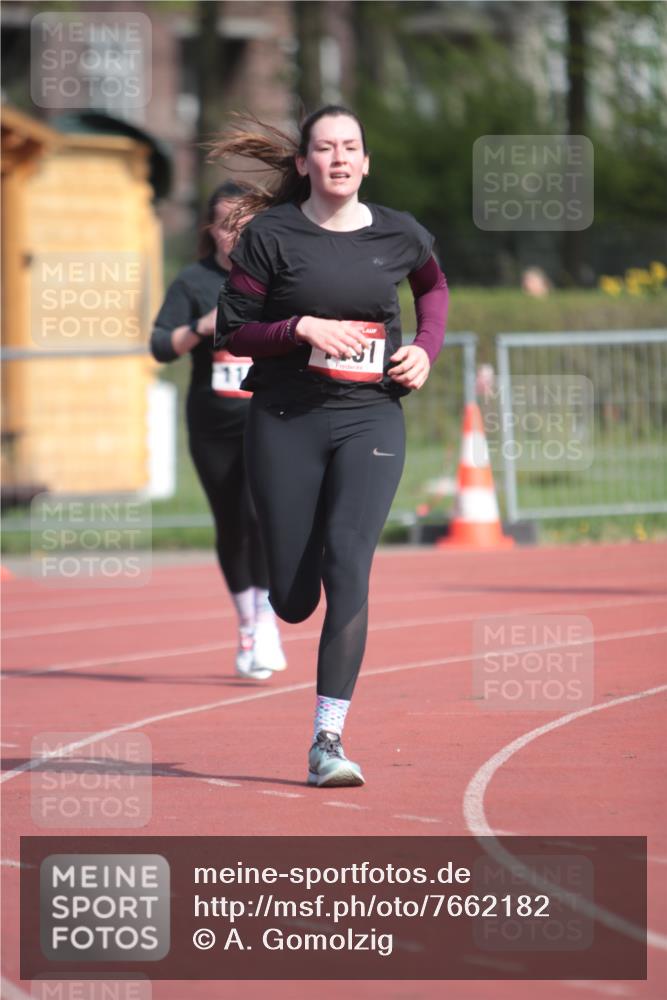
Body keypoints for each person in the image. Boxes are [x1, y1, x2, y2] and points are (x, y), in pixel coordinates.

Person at [213, 106, 448, 786]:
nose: (339, 158)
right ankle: (293, 563)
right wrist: (301, 327)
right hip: (285, 418)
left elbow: (432, 288)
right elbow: (234, 330)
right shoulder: (273, 236)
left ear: (365, 162)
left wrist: (424, 351)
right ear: (303, 164)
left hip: (369, 419)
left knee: (349, 566)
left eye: (351, 147)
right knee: (292, 598)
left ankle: (327, 740)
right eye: (325, 148)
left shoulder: (398, 233)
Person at [150, 181, 286, 681]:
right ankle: (247, 622)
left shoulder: (277, 278)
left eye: (244, 224)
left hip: (269, 419)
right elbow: (161, 346)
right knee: (231, 522)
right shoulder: (193, 282)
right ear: (211, 231)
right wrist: (201, 328)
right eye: (226, 224)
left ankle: (268, 620)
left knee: (262, 516)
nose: (235, 234)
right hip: (212, 425)